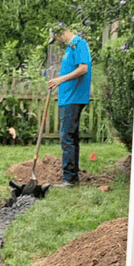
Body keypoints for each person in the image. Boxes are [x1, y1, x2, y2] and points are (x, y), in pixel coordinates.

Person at [47, 25, 92, 188]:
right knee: (71, 137)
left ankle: (69, 179)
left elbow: (83, 68)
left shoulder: (79, 43)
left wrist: (60, 80)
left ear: (62, 32)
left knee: (67, 136)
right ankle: (73, 174)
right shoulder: (71, 47)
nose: (58, 41)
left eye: (57, 37)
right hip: (68, 97)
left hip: (74, 97)